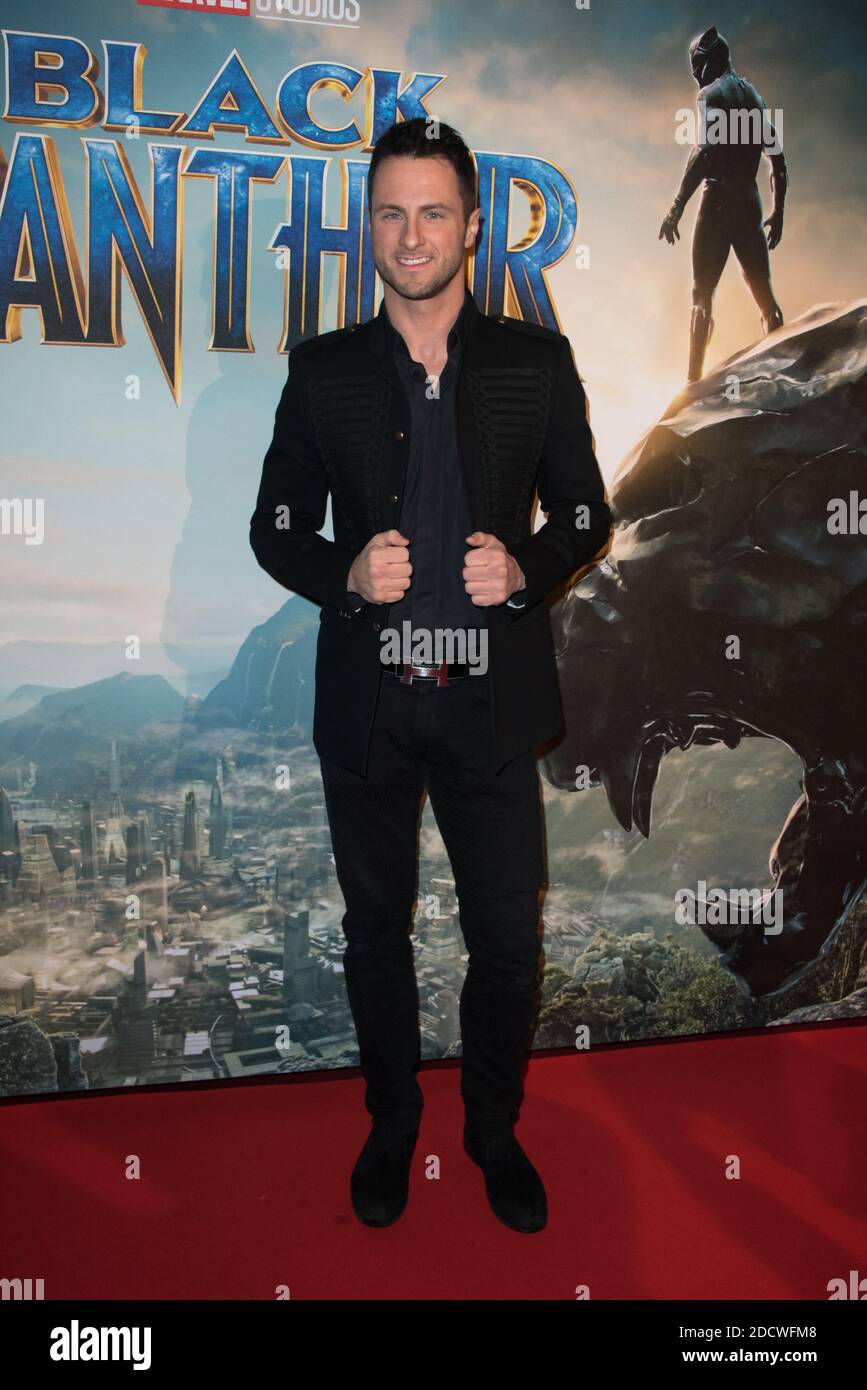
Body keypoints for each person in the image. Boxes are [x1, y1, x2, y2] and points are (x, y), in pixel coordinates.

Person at [250, 117, 611, 1233]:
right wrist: (346, 572)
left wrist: (532, 564)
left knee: (507, 941)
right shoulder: (321, 372)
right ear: (370, 228)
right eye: (392, 213)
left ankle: (492, 1130)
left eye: (435, 211)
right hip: (371, 709)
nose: (413, 235)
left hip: (490, 710)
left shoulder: (534, 363)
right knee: (376, 933)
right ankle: (393, 1121)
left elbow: (592, 508)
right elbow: (271, 528)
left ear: (471, 225)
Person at [659, 24, 787, 382]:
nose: (695, 76)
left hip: (717, 201)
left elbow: (705, 150)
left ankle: (691, 383)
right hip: (749, 201)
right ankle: (782, 375)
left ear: (705, 63)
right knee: (765, 297)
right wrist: (778, 212)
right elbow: (778, 160)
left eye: (695, 67)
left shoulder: (711, 94)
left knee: (701, 295)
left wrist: (676, 207)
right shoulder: (755, 97)